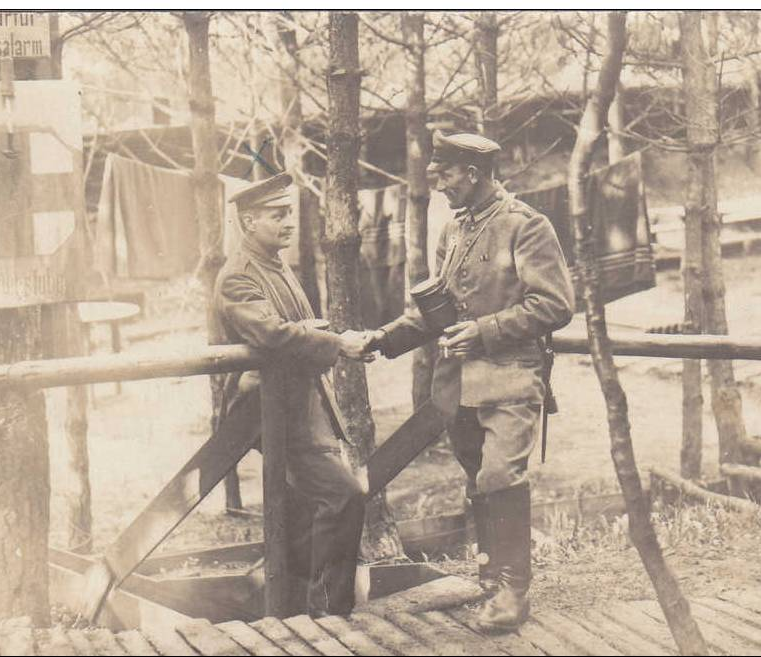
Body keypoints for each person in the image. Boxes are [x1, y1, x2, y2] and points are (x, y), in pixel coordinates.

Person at [366, 131, 575, 632]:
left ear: (473, 174)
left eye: (445, 174)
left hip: (510, 379)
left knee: (501, 477)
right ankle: (489, 575)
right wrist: (382, 339)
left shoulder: (526, 227)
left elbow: (555, 305)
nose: (437, 185)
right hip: (458, 386)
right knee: (478, 480)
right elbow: (436, 309)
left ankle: (513, 592)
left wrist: (484, 332)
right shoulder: (455, 232)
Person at [212, 172, 372, 618]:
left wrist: (329, 338)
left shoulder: (275, 263)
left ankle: (297, 605)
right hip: (269, 411)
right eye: (277, 215)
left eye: (288, 213)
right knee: (343, 496)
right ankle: (330, 610)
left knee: (306, 505)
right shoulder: (239, 276)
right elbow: (274, 334)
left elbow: (300, 328)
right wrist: (335, 342)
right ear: (248, 223)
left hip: (298, 404)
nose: (288, 223)